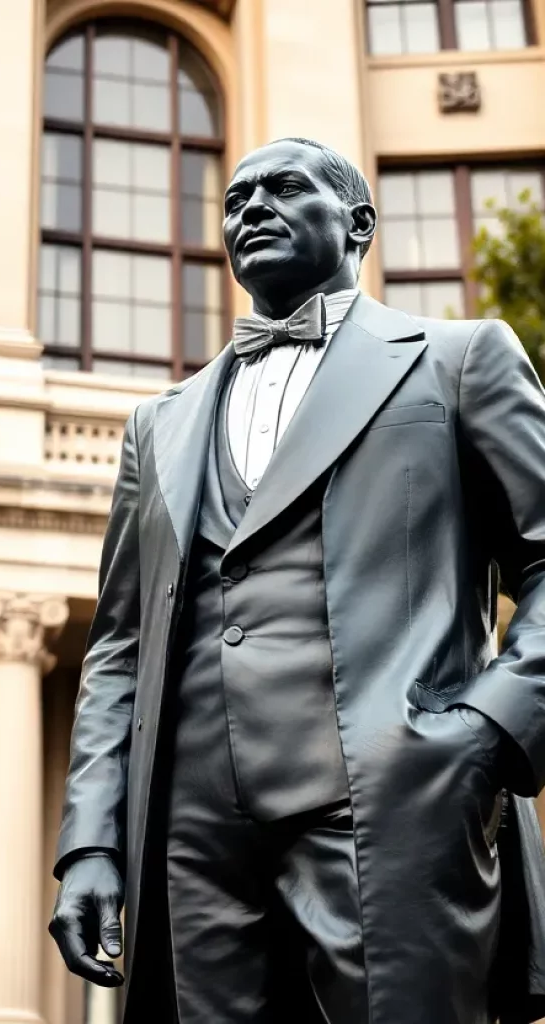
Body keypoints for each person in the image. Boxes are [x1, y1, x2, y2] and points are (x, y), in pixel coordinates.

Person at [48, 137, 545, 1024]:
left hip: (395, 792)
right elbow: (118, 647)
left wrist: (485, 733)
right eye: (235, 199)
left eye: (283, 188)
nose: (250, 208)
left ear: (358, 222)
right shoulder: (155, 426)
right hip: (192, 830)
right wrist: (91, 841)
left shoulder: (460, 360)